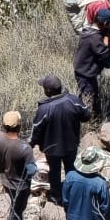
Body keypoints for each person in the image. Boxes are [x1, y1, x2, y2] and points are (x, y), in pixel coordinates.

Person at [29, 73, 92, 206]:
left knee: (54, 172)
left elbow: (37, 130)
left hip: (52, 149)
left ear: (47, 91)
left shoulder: (44, 109)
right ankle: (72, 193)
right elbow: (86, 115)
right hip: (71, 144)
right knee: (71, 169)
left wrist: (30, 143)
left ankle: (57, 197)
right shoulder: (73, 100)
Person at [0, 111, 36, 220]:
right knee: (18, 210)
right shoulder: (24, 148)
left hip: (5, 180)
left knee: (14, 204)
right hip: (21, 186)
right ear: (19, 126)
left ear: (3, 125)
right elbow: (32, 170)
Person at [73, 8, 110, 116]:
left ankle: (92, 117)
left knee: (91, 96)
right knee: (88, 99)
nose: (109, 26)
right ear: (104, 23)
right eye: (108, 24)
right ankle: (88, 123)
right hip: (86, 74)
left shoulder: (88, 32)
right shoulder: (94, 38)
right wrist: (107, 43)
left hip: (83, 71)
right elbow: (103, 54)